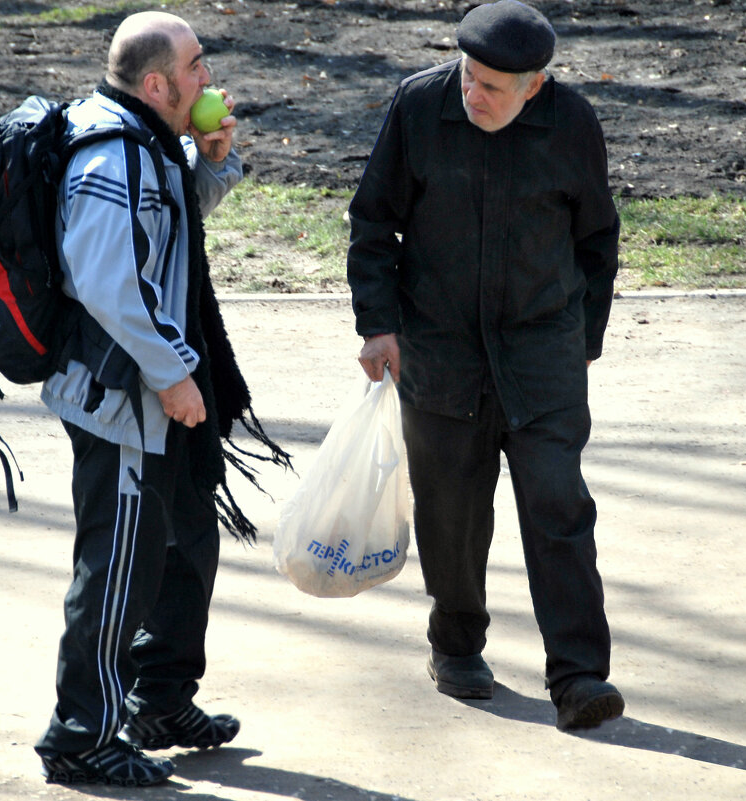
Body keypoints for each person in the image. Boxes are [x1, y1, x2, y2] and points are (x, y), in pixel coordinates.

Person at [346, 0, 624, 732]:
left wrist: (579, 342)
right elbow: (373, 220)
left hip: (542, 355)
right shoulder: (418, 105)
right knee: (452, 513)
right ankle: (457, 644)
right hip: (439, 351)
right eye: (468, 77)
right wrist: (377, 324)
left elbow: (597, 242)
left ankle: (578, 674)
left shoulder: (572, 125)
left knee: (558, 506)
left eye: (493, 87)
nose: (473, 94)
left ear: (533, 85)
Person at [34, 11, 289, 786]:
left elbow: (165, 232)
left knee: (185, 547)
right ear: (157, 83)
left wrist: (209, 163)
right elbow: (109, 282)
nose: (207, 78)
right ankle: (80, 735)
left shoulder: (148, 141)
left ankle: (160, 698)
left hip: (161, 390)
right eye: (196, 65)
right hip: (124, 395)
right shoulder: (111, 153)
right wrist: (175, 373)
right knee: (117, 568)